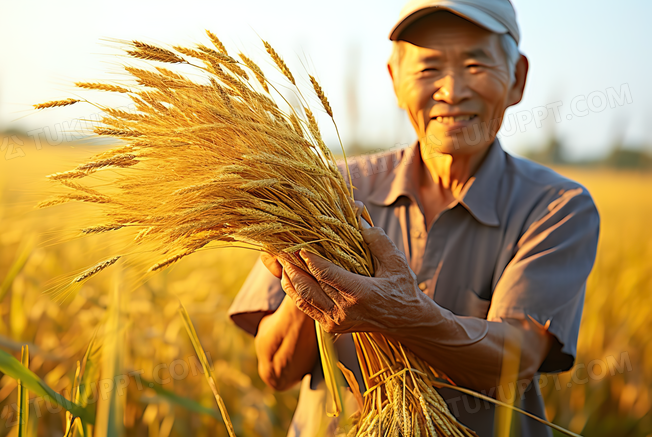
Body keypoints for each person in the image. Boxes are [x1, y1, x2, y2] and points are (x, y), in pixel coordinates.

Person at [228, 0, 601, 435]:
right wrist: (311, 268)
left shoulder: (556, 206)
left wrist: (401, 314)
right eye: (428, 69)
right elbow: (275, 370)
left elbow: (514, 363)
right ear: (395, 80)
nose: (451, 90)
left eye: (475, 64)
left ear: (517, 78)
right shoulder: (329, 190)